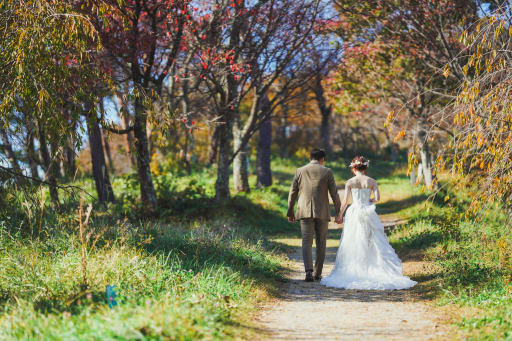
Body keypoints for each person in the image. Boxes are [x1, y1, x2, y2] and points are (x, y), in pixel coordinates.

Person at [321, 156, 417, 290]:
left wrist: (339, 215)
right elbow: (377, 198)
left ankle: (356, 268)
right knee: (372, 241)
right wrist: (369, 201)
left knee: (354, 241)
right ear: (365, 167)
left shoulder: (350, 182)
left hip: (354, 212)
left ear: (354, 168)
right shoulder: (372, 181)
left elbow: (345, 202)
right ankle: (372, 266)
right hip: (368, 212)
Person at [287, 148, 341, 282]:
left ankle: (308, 272)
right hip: (322, 212)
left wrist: (290, 211)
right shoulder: (327, 171)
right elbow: (334, 193)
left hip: (304, 211)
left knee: (306, 241)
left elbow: (292, 192)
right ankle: (318, 273)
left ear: (310, 158)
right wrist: (339, 212)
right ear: (322, 159)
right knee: (321, 242)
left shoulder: (300, 171)